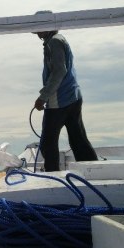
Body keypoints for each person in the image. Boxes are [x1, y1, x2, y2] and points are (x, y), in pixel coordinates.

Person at [33, 23, 98, 171]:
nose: (37, 33)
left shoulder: (54, 42)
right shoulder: (58, 39)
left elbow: (59, 71)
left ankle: (52, 176)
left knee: (48, 142)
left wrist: (43, 97)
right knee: (78, 139)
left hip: (59, 101)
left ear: (47, 27)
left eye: (38, 28)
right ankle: (94, 170)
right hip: (73, 97)